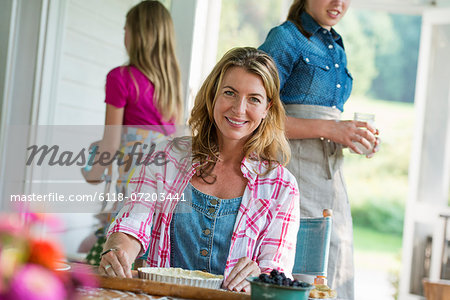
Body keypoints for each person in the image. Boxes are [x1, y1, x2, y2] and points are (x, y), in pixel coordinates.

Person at [98, 47, 300, 293]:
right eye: (230, 93)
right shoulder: (164, 157)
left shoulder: (281, 186)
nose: (238, 109)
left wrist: (259, 276)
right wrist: (117, 250)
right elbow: (132, 223)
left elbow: (275, 271)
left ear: (267, 109)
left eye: (254, 99)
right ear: (213, 95)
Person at [259, 1, 379, 299]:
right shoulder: (285, 38)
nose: (338, 3)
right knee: (301, 262)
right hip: (291, 169)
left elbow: (326, 119)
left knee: (335, 258)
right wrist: (329, 129)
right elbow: (259, 116)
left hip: (330, 174)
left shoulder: (335, 46)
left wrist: (348, 135)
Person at [81, 0, 182, 265]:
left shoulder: (121, 78)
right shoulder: (172, 87)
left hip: (134, 190)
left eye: (126, 29)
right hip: (164, 189)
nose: (123, 35)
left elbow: (111, 143)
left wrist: (92, 173)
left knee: (112, 259)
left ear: (138, 35)